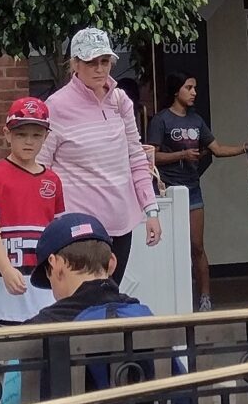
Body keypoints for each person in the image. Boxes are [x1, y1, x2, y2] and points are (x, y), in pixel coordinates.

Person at [2, 213, 191, 404]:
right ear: (112, 262)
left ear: (55, 264)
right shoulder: (146, 322)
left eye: (48, 275)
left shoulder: (34, 333)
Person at [39, 28, 161, 281]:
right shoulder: (56, 106)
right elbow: (41, 169)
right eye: (90, 62)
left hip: (120, 222)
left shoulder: (120, 100)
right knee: (83, 301)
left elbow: (136, 157)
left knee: (111, 298)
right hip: (79, 225)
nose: (99, 69)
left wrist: (151, 210)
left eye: (104, 61)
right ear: (75, 64)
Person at [143, 73, 244, 311]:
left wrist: (245, 148)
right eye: (189, 87)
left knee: (197, 246)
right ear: (176, 91)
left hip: (193, 190)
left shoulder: (197, 120)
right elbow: (151, 156)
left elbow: (216, 149)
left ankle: (205, 297)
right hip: (167, 192)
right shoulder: (161, 120)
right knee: (168, 246)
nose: (194, 92)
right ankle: (171, 298)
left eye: (195, 87)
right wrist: (182, 155)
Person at [0, 96, 64, 326]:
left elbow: (58, 236)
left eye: (36, 135)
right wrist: (5, 268)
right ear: (7, 134)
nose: (28, 142)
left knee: (43, 354)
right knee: (3, 355)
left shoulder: (53, 180)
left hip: (44, 289)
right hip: (3, 287)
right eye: (21, 134)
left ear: (46, 137)